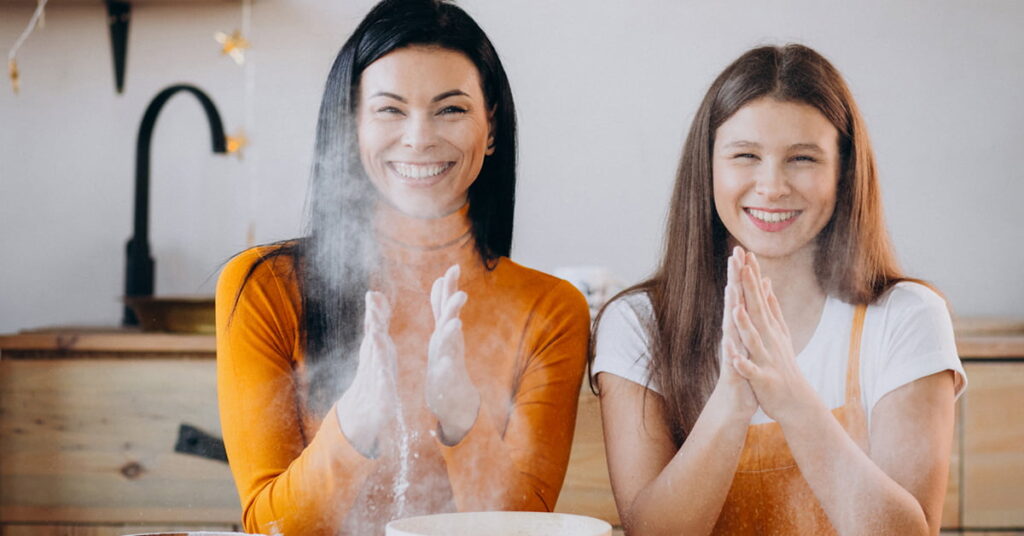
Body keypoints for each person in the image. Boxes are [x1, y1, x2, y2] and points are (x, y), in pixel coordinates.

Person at [215, 1, 590, 534]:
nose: (419, 138)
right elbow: (268, 527)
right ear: (352, 126)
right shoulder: (265, 288)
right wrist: (353, 425)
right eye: (390, 110)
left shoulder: (551, 310)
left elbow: (525, 528)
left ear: (491, 128)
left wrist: (464, 420)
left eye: (451, 109)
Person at [591, 44, 966, 535]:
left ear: (844, 171)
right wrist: (730, 404)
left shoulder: (907, 317)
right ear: (707, 167)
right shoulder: (637, 323)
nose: (772, 186)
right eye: (745, 155)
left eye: (803, 158)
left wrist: (792, 399)